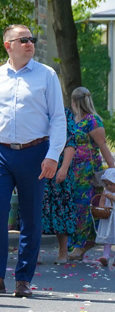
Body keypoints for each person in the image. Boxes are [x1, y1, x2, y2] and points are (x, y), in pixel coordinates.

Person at [0, 25, 66, 298]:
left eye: (31, 40)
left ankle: (23, 279)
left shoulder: (46, 75)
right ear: (7, 45)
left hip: (36, 153)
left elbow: (58, 119)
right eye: (23, 40)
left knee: (31, 218)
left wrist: (52, 156)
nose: (29, 44)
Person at [67, 87, 115, 260]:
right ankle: (77, 243)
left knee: (83, 207)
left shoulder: (93, 121)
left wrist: (112, 173)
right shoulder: (72, 120)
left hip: (87, 173)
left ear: (74, 101)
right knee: (74, 207)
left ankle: (81, 244)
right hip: (72, 171)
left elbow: (104, 149)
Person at [41, 108, 78, 264]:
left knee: (62, 208)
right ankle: (33, 252)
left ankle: (63, 252)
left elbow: (70, 141)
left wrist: (64, 168)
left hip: (59, 165)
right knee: (34, 210)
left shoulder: (65, 113)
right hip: (37, 165)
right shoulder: (35, 111)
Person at [95, 169, 115, 268]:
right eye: (106, 185)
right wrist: (101, 208)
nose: (108, 187)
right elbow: (102, 200)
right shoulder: (106, 191)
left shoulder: (111, 194)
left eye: (111, 184)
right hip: (108, 217)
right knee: (107, 237)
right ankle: (105, 256)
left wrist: (112, 197)